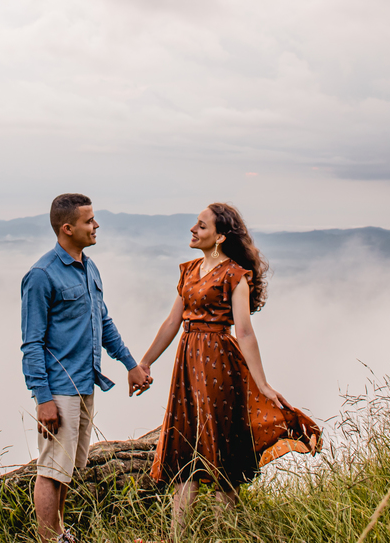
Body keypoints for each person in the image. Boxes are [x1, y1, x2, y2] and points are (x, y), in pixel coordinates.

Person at [136, 202, 320, 535]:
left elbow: (244, 332)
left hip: (218, 364)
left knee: (220, 446)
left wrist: (263, 384)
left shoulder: (235, 275)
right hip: (187, 363)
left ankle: (224, 533)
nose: (193, 229)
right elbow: (172, 322)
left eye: (202, 226)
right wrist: (145, 362)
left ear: (220, 237)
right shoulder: (190, 270)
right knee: (186, 448)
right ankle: (178, 537)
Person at [21, 193, 152, 543]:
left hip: (84, 383)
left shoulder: (89, 268)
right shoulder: (41, 275)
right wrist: (43, 398)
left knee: (66, 469)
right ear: (68, 228)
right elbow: (31, 343)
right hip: (59, 388)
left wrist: (130, 364)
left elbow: (103, 322)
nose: (96, 226)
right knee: (51, 470)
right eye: (89, 220)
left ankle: (60, 533)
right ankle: (49, 539)